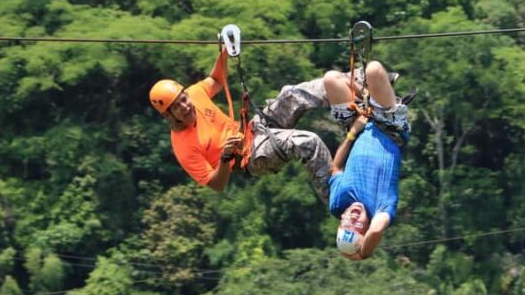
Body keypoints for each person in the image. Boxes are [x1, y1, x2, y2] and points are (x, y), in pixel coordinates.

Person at [148, 49, 338, 203]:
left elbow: (216, 80)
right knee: (307, 142)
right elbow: (216, 184)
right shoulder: (184, 147)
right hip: (250, 158)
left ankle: (353, 86)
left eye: (183, 99)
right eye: (176, 107)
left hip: (252, 128)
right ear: (168, 115)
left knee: (292, 94)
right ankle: (334, 197)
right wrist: (225, 157)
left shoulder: (194, 94)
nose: (185, 106)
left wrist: (224, 51)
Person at [325, 60, 411, 260]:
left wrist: (353, 133)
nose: (353, 218)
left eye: (348, 223)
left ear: (342, 219)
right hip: (389, 126)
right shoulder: (382, 209)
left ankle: (367, 96)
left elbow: (336, 168)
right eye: (357, 226)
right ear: (366, 227)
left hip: (358, 123)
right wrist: (362, 253)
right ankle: (375, 96)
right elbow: (376, 232)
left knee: (331, 79)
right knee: (373, 69)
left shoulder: (338, 204)